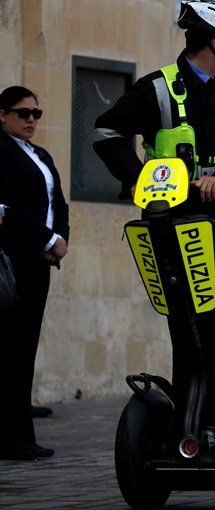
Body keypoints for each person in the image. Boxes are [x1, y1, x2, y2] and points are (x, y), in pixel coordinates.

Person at [93, 1, 215, 438]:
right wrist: (139, 177)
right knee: (191, 332)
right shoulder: (157, 89)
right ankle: (193, 424)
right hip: (177, 229)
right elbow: (106, 132)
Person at [0, 85, 69, 459]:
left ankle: (20, 434)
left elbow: (58, 201)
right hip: (15, 261)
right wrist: (47, 239)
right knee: (12, 347)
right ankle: (12, 438)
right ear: (2, 115)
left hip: (40, 262)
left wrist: (61, 239)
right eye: (23, 113)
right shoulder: (1, 151)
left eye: (36, 114)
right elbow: (9, 208)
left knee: (24, 348)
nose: (31, 120)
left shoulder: (40, 153)